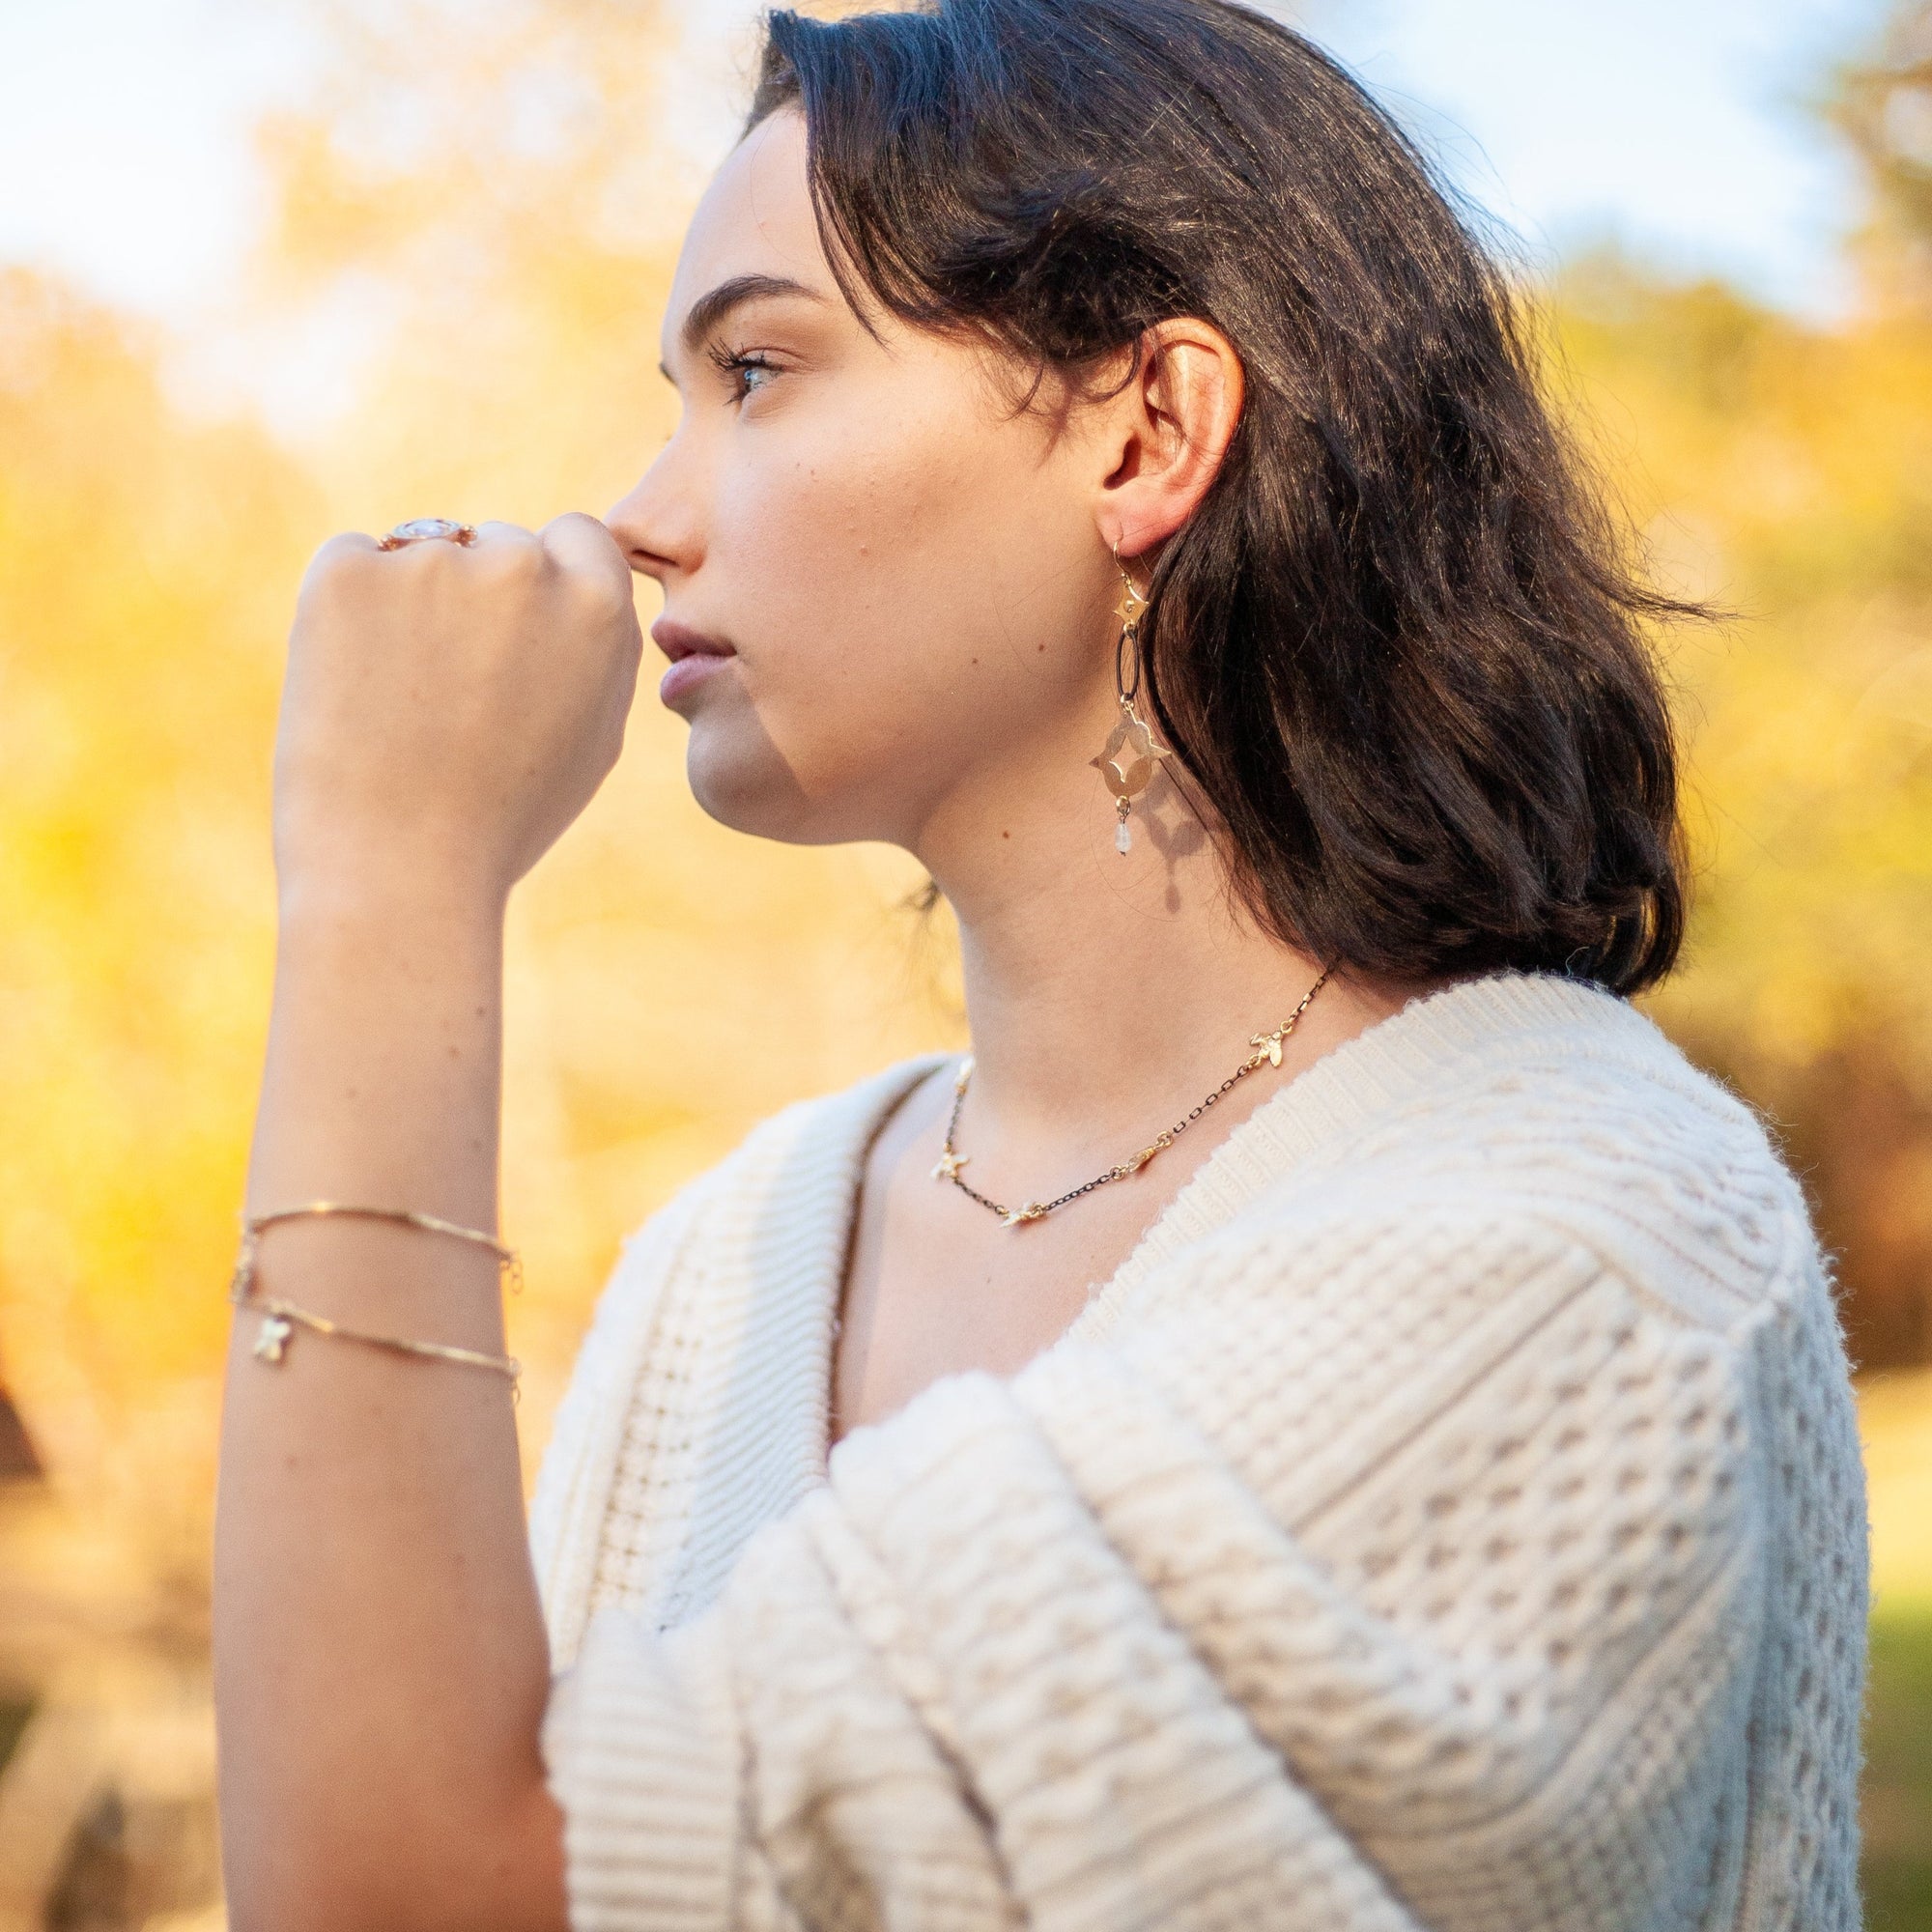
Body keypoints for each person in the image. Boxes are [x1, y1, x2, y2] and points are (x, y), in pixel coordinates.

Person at [211, 1, 1870, 1927]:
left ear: (1149, 428)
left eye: (755, 370)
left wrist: (387, 878)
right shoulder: (723, 1262)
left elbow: (413, 1888)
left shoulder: (1568, 1240)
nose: (645, 521)